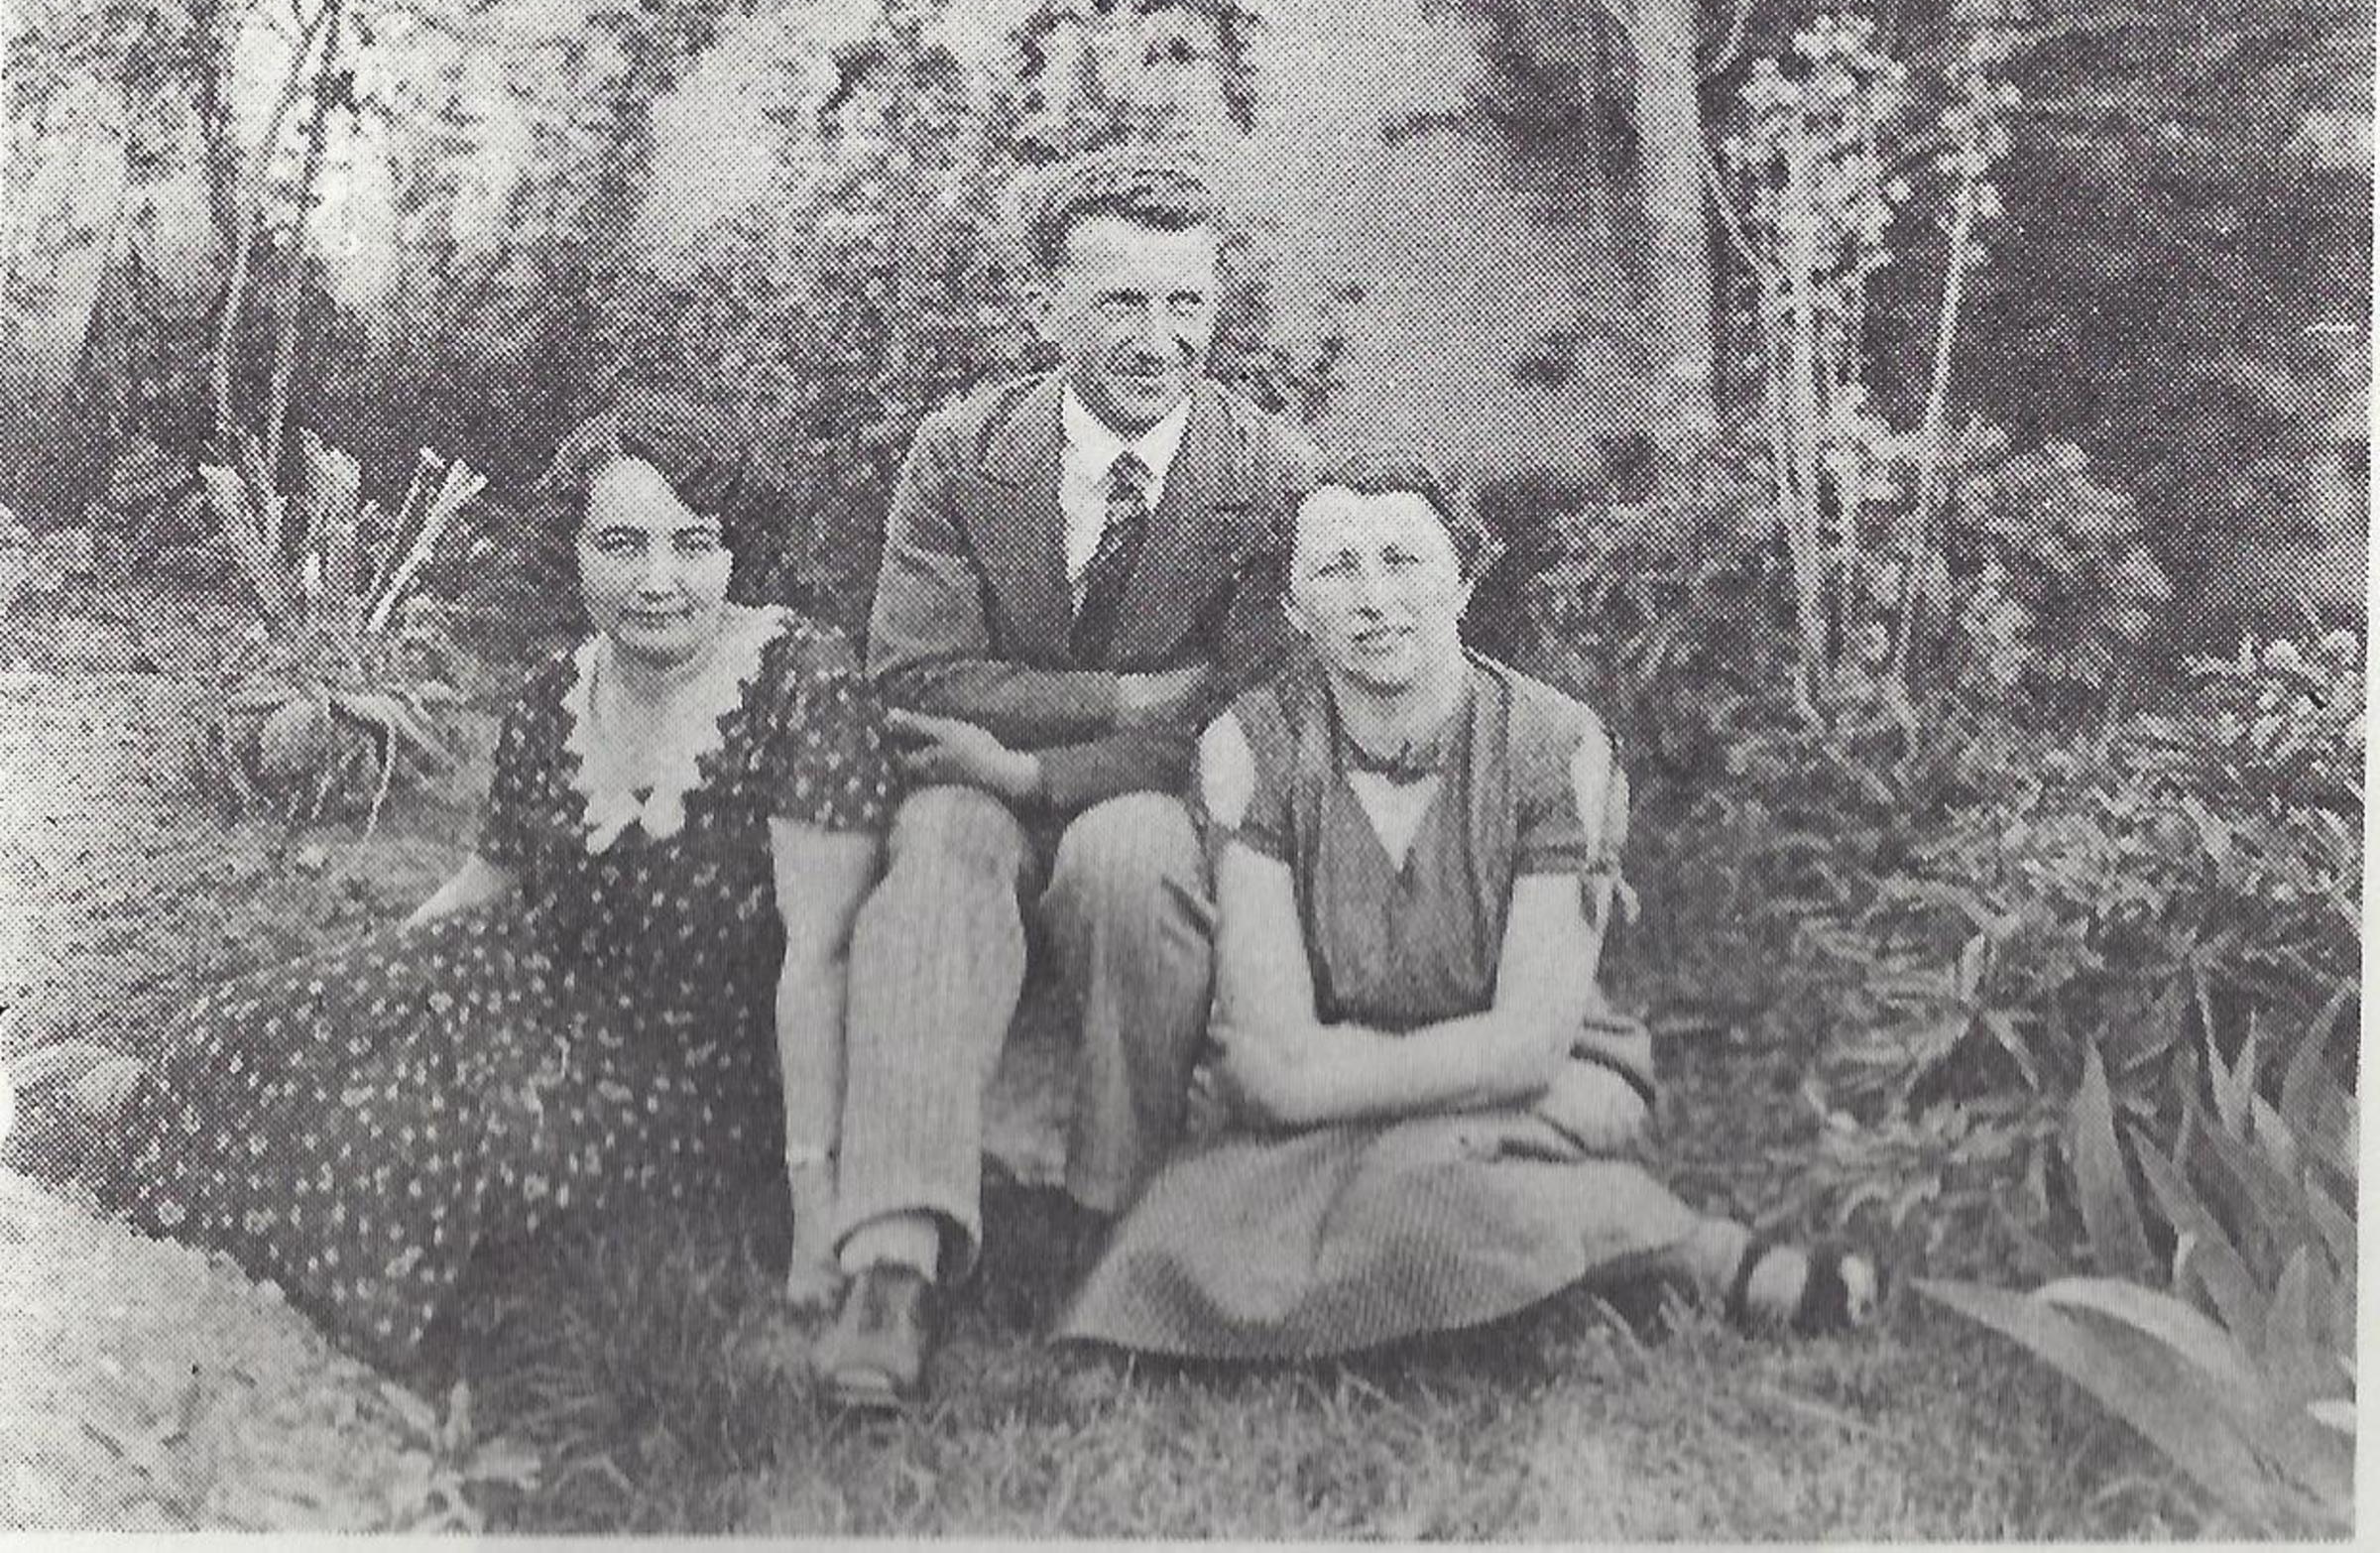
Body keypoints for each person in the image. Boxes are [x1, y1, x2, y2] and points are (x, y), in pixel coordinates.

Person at [4, 392, 893, 1368]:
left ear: (734, 549)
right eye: (622, 544)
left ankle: (195, 1192)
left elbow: (820, 957)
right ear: (574, 552)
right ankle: (116, 1116)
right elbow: (485, 882)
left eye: (693, 544)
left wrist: (815, 1202)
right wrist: (345, 997)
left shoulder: (801, 682)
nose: (658, 581)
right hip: (528, 996)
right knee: (235, 1030)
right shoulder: (557, 693)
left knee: (406, 1137)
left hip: (699, 1074)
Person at [1057, 450, 1879, 1360]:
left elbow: (1525, 1044)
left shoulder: (1558, 745)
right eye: (1336, 569)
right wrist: (1308, 1080)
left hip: (1539, 1081)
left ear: (1463, 582)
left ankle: (1663, 1262)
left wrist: (1323, 1083)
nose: (1374, 599)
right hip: (1341, 1091)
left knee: (1384, 1183)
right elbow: (1272, 1052)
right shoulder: (1250, 749)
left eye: (1403, 560)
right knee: (1186, 1231)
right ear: (1293, 609)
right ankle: (1617, 1260)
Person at [814, 148, 1313, 1407]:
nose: (1158, 340)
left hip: (1143, 793)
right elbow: (917, 675)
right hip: (968, 787)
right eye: (1121, 302)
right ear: (1048, 308)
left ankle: (1116, 1227)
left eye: (1186, 304)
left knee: (1133, 862)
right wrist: (1119, 699)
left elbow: (1243, 716)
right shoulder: (961, 453)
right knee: (938, 859)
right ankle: (894, 1256)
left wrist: (1041, 765)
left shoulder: (1267, 477)